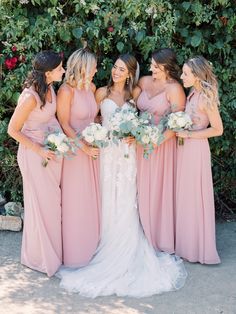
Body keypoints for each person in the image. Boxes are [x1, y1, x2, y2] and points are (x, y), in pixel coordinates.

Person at [57, 54, 187, 298]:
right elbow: (93, 119)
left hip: (127, 155)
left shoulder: (133, 96)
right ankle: (99, 242)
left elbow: (141, 120)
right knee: (106, 195)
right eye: (114, 67)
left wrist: (135, 135)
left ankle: (126, 243)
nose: (115, 72)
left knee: (127, 197)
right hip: (105, 153)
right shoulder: (100, 93)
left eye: (121, 69)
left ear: (129, 74)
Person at [8, 51, 65, 276]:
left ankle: (52, 254)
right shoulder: (30, 97)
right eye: (60, 68)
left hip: (52, 153)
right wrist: (40, 149)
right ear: (49, 73)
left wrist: (61, 142)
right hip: (34, 155)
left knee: (52, 205)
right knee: (40, 207)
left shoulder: (51, 89)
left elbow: (52, 119)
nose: (63, 71)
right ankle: (39, 258)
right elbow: (12, 130)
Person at [137, 48, 186, 254]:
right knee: (139, 189)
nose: (152, 69)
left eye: (157, 67)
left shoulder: (174, 89)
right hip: (139, 144)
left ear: (168, 67)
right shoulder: (144, 82)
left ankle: (159, 237)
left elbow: (177, 124)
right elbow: (129, 103)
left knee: (159, 191)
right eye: (152, 65)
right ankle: (140, 233)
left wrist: (156, 141)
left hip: (162, 146)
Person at [175, 56, 223, 264]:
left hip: (196, 149)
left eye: (186, 73)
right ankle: (188, 246)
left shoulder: (205, 97)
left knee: (195, 196)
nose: (182, 76)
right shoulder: (192, 93)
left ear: (196, 76)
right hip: (185, 150)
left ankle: (200, 248)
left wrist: (189, 135)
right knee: (186, 196)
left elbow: (218, 129)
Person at [56, 48, 100, 267]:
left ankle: (92, 248)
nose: (96, 71)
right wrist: (83, 147)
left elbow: (94, 118)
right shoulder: (66, 91)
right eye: (93, 67)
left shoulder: (91, 88)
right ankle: (75, 253)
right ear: (82, 67)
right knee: (76, 202)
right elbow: (64, 124)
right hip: (75, 152)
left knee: (93, 202)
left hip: (93, 151)